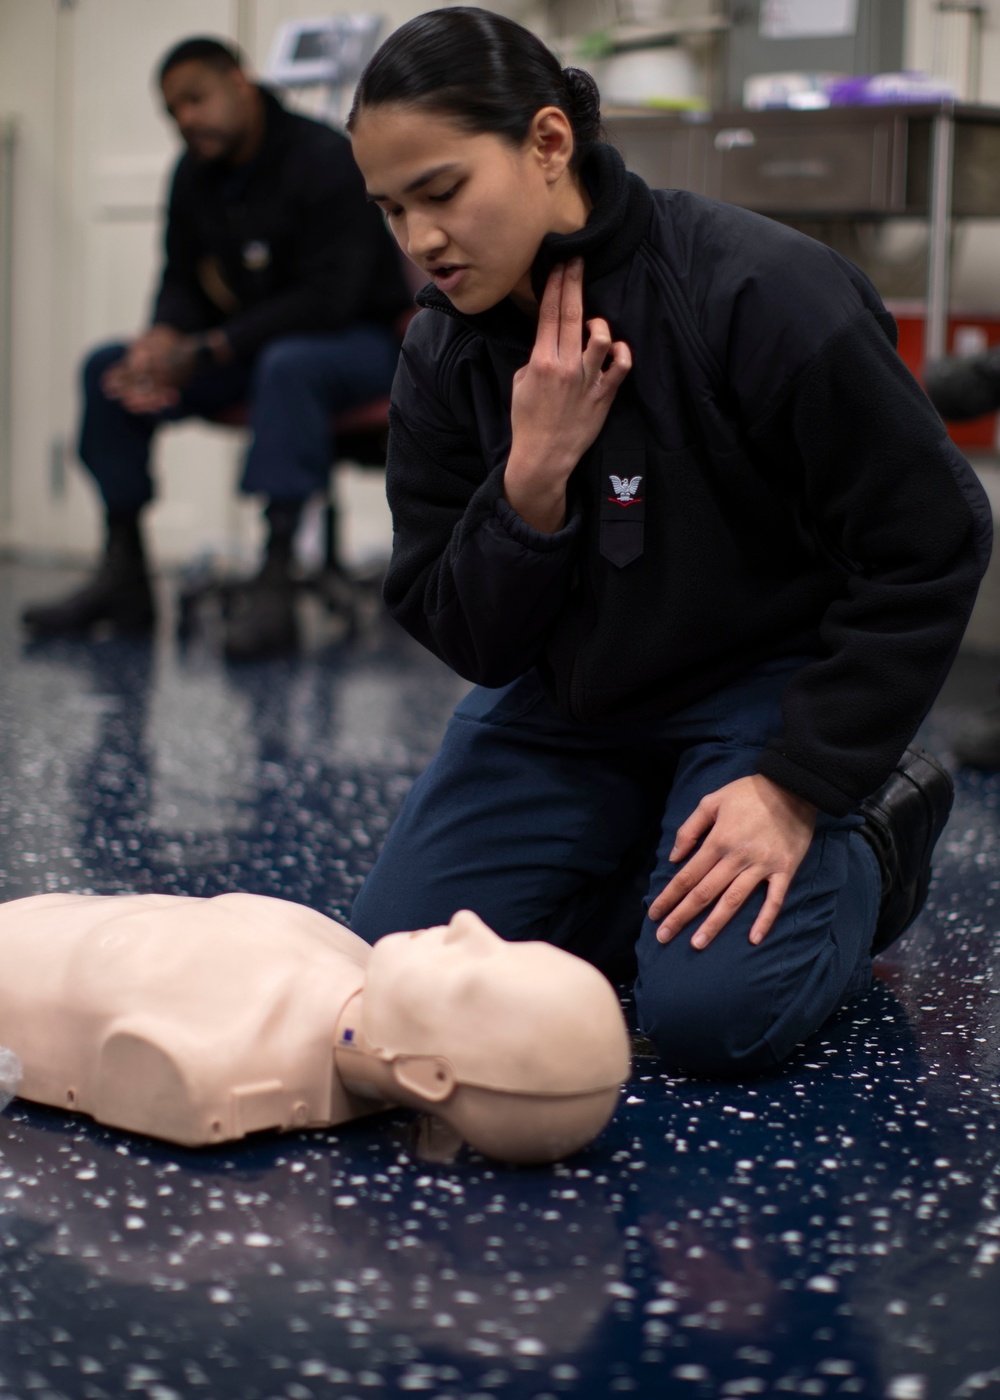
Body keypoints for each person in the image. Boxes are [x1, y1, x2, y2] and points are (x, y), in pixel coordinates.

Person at [344, 8, 993, 1076]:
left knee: (709, 1016)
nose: (419, 238)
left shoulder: (759, 290)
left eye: (443, 190)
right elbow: (468, 635)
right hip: (564, 705)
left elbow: (930, 539)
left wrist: (797, 782)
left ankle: (875, 835)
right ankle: (653, 843)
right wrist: (531, 481)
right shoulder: (442, 354)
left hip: (760, 697)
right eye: (390, 207)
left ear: (548, 143)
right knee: (392, 971)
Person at [21, 36, 413, 660]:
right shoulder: (194, 174)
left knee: (291, 365)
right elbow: (181, 277)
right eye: (173, 111)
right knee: (108, 370)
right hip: (243, 352)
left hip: (357, 344)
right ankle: (123, 573)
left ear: (240, 83)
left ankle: (276, 578)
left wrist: (207, 349)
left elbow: (327, 300)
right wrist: (162, 338)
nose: (186, 120)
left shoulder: (326, 158)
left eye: (196, 100)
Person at [0, 893, 630, 1164]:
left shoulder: (224, 1057)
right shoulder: (356, 956)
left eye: (472, 974)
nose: (467, 923)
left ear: (427, 1077)